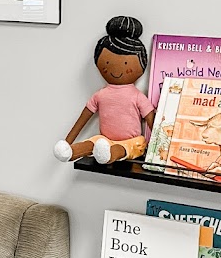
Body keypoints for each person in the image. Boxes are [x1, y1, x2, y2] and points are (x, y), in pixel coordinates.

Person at [54, 15, 155, 165]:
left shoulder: (137, 96)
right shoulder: (100, 95)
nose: (116, 69)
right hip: (105, 140)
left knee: (133, 145)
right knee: (93, 141)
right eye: (106, 62)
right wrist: (68, 141)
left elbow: (152, 121)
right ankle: (69, 151)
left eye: (126, 63)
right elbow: (82, 119)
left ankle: (110, 154)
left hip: (132, 141)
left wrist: (161, 148)